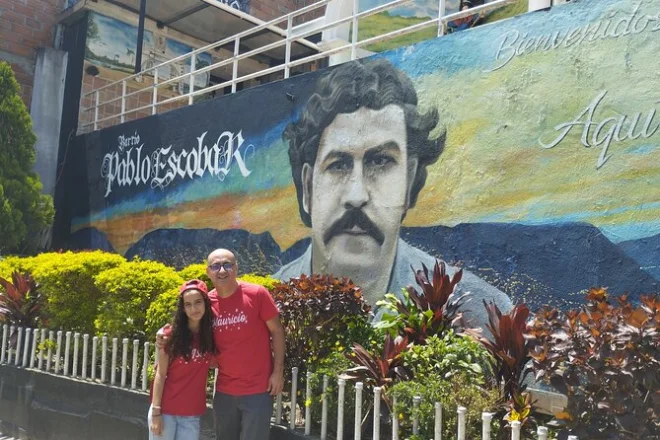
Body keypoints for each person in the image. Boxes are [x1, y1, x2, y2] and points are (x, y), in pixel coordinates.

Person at [274, 58, 513, 328]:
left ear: (409, 182)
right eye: (338, 165)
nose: (356, 195)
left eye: (380, 161)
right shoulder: (267, 304)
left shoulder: (483, 315)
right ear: (308, 187)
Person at [158, 249, 285, 440]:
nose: (222, 270)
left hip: (258, 390)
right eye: (215, 266)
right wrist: (164, 333)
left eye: (227, 264)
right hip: (224, 392)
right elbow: (189, 329)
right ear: (208, 272)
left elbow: (277, 331)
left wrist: (278, 371)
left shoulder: (257, 294)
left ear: (236, 268)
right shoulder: (206, 303)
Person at [149, 279, 216, 440]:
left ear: (206, 303)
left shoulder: (211, 335)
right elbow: (160, 374)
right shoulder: (170, 335)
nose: (194, 309)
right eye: (188, 304)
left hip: (191, 414)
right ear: (183, 308)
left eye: (198, 302)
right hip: (165, 411)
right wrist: (156, 412)